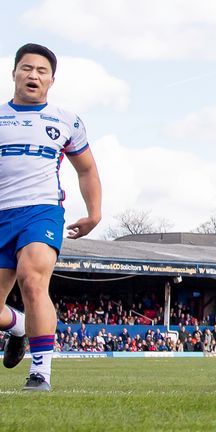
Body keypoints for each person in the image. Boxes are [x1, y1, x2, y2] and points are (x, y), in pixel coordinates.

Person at [0, 43, 102, 391]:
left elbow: (87, 170)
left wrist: (93, 214)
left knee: (32, 278)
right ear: (14, 72)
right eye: (27, 68)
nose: (33, 75)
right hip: (1, 214)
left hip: (41, 210)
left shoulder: (66, 121)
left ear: (52, 80)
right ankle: (17, 326)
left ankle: (40, 372)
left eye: (42, 71)